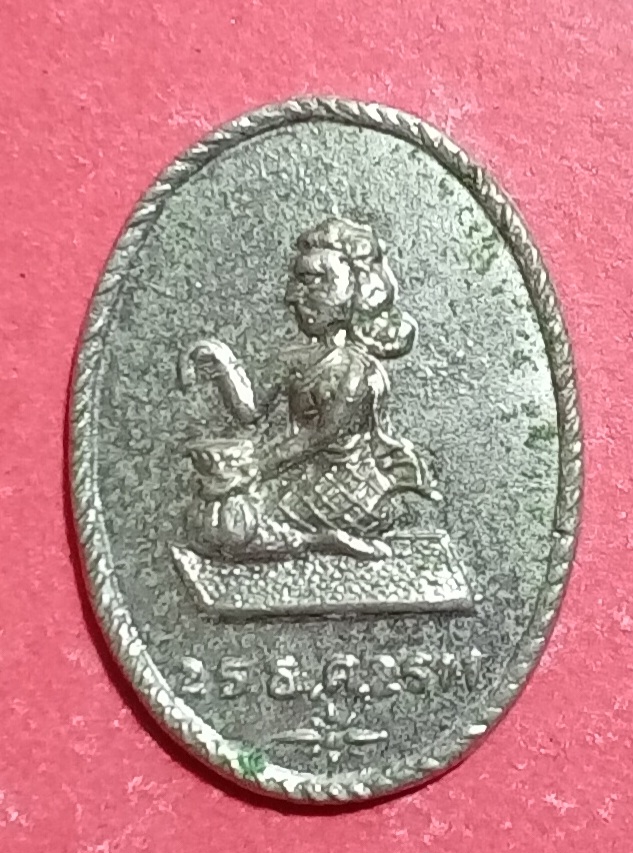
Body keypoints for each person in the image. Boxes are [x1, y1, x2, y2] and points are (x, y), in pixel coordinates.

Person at [179, 217, 439, 562]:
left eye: (310, 280)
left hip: (350, 491)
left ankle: (318, 540)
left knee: (232, 523)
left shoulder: (355, 372)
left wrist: (250, 471)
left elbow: (316, 437)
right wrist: (223, 365)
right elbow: (250, 411)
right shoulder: (293, 359)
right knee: (214, 522)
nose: (291, 296)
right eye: (295, 281)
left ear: (354, 288)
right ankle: (317, 539)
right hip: (296, 478)